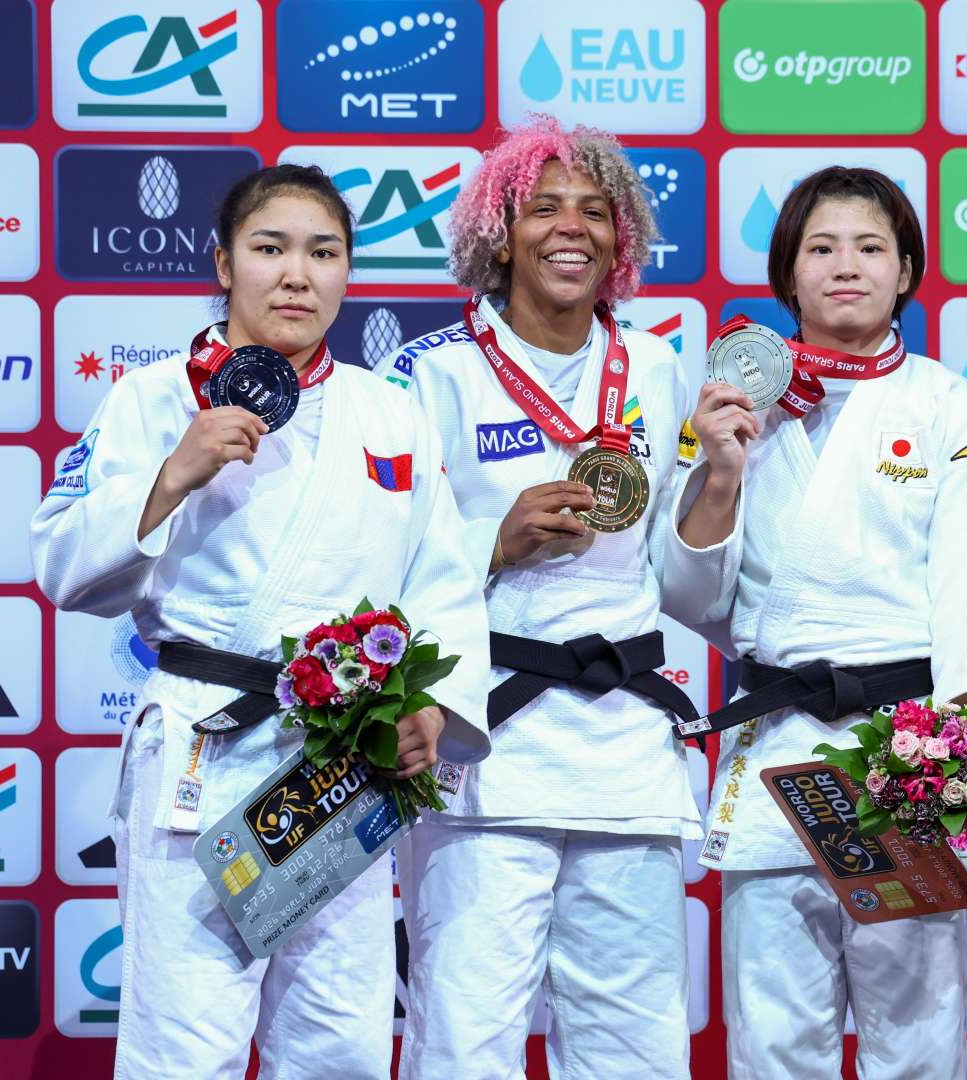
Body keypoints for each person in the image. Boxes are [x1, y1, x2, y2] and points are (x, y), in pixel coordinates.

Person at [30, 164, 492, 1080]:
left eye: (323, 253)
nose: (297, 274)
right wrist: (171, 475)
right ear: (223, 263)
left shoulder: (389, 412)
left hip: (343, 771)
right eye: (270, 248)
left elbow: (442, 585)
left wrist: (433, 712)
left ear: (348, 274)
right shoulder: (156, 398)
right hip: (205, 755)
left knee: (340, 1046)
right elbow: (61, 570)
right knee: (183, 1046)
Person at [379, 116, 753, 1080]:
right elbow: (379, 565)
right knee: (465, 1042)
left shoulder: (664, 370)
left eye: (596, 210)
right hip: (482, 753)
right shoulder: (431, 377)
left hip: (627, 751)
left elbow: (689, 587)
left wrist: (715, 487)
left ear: (621, 240)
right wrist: (490, 543)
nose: (571, 228)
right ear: (498, 231)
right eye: (544, 207)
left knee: (636, 1047)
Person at [683, 166, 967, 1079]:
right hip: (780, 739)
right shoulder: (732, 402)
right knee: (774, 1043)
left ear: (906, 270)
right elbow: (690, 597)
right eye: (820, 248)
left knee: (916, 1040)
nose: (846, 267)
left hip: (903, 756)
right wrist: (719, 469)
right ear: (789, 274)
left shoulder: (951, 405)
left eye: (871, 247)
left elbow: (965, 594)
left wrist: (959, 754)